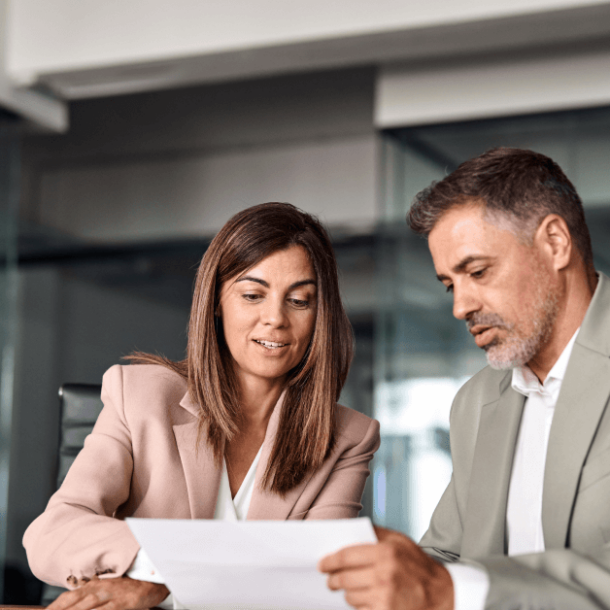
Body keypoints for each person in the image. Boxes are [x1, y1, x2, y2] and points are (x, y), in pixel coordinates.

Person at [24, 202, 380, 610]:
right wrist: (158, 571)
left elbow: (317, 582)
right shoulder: (139, 395)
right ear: (216, 302)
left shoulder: (349, 438)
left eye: (299, 301)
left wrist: (177, 578)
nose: (275, 319)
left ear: (321, 314)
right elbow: (52, 533)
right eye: (252, 295)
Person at [319, 148, 610, 610]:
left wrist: (446, 590)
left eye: (478, 271)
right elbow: (445, 557)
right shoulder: (476, 402)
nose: (461, 307)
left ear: (555, 242)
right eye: (451, 284)